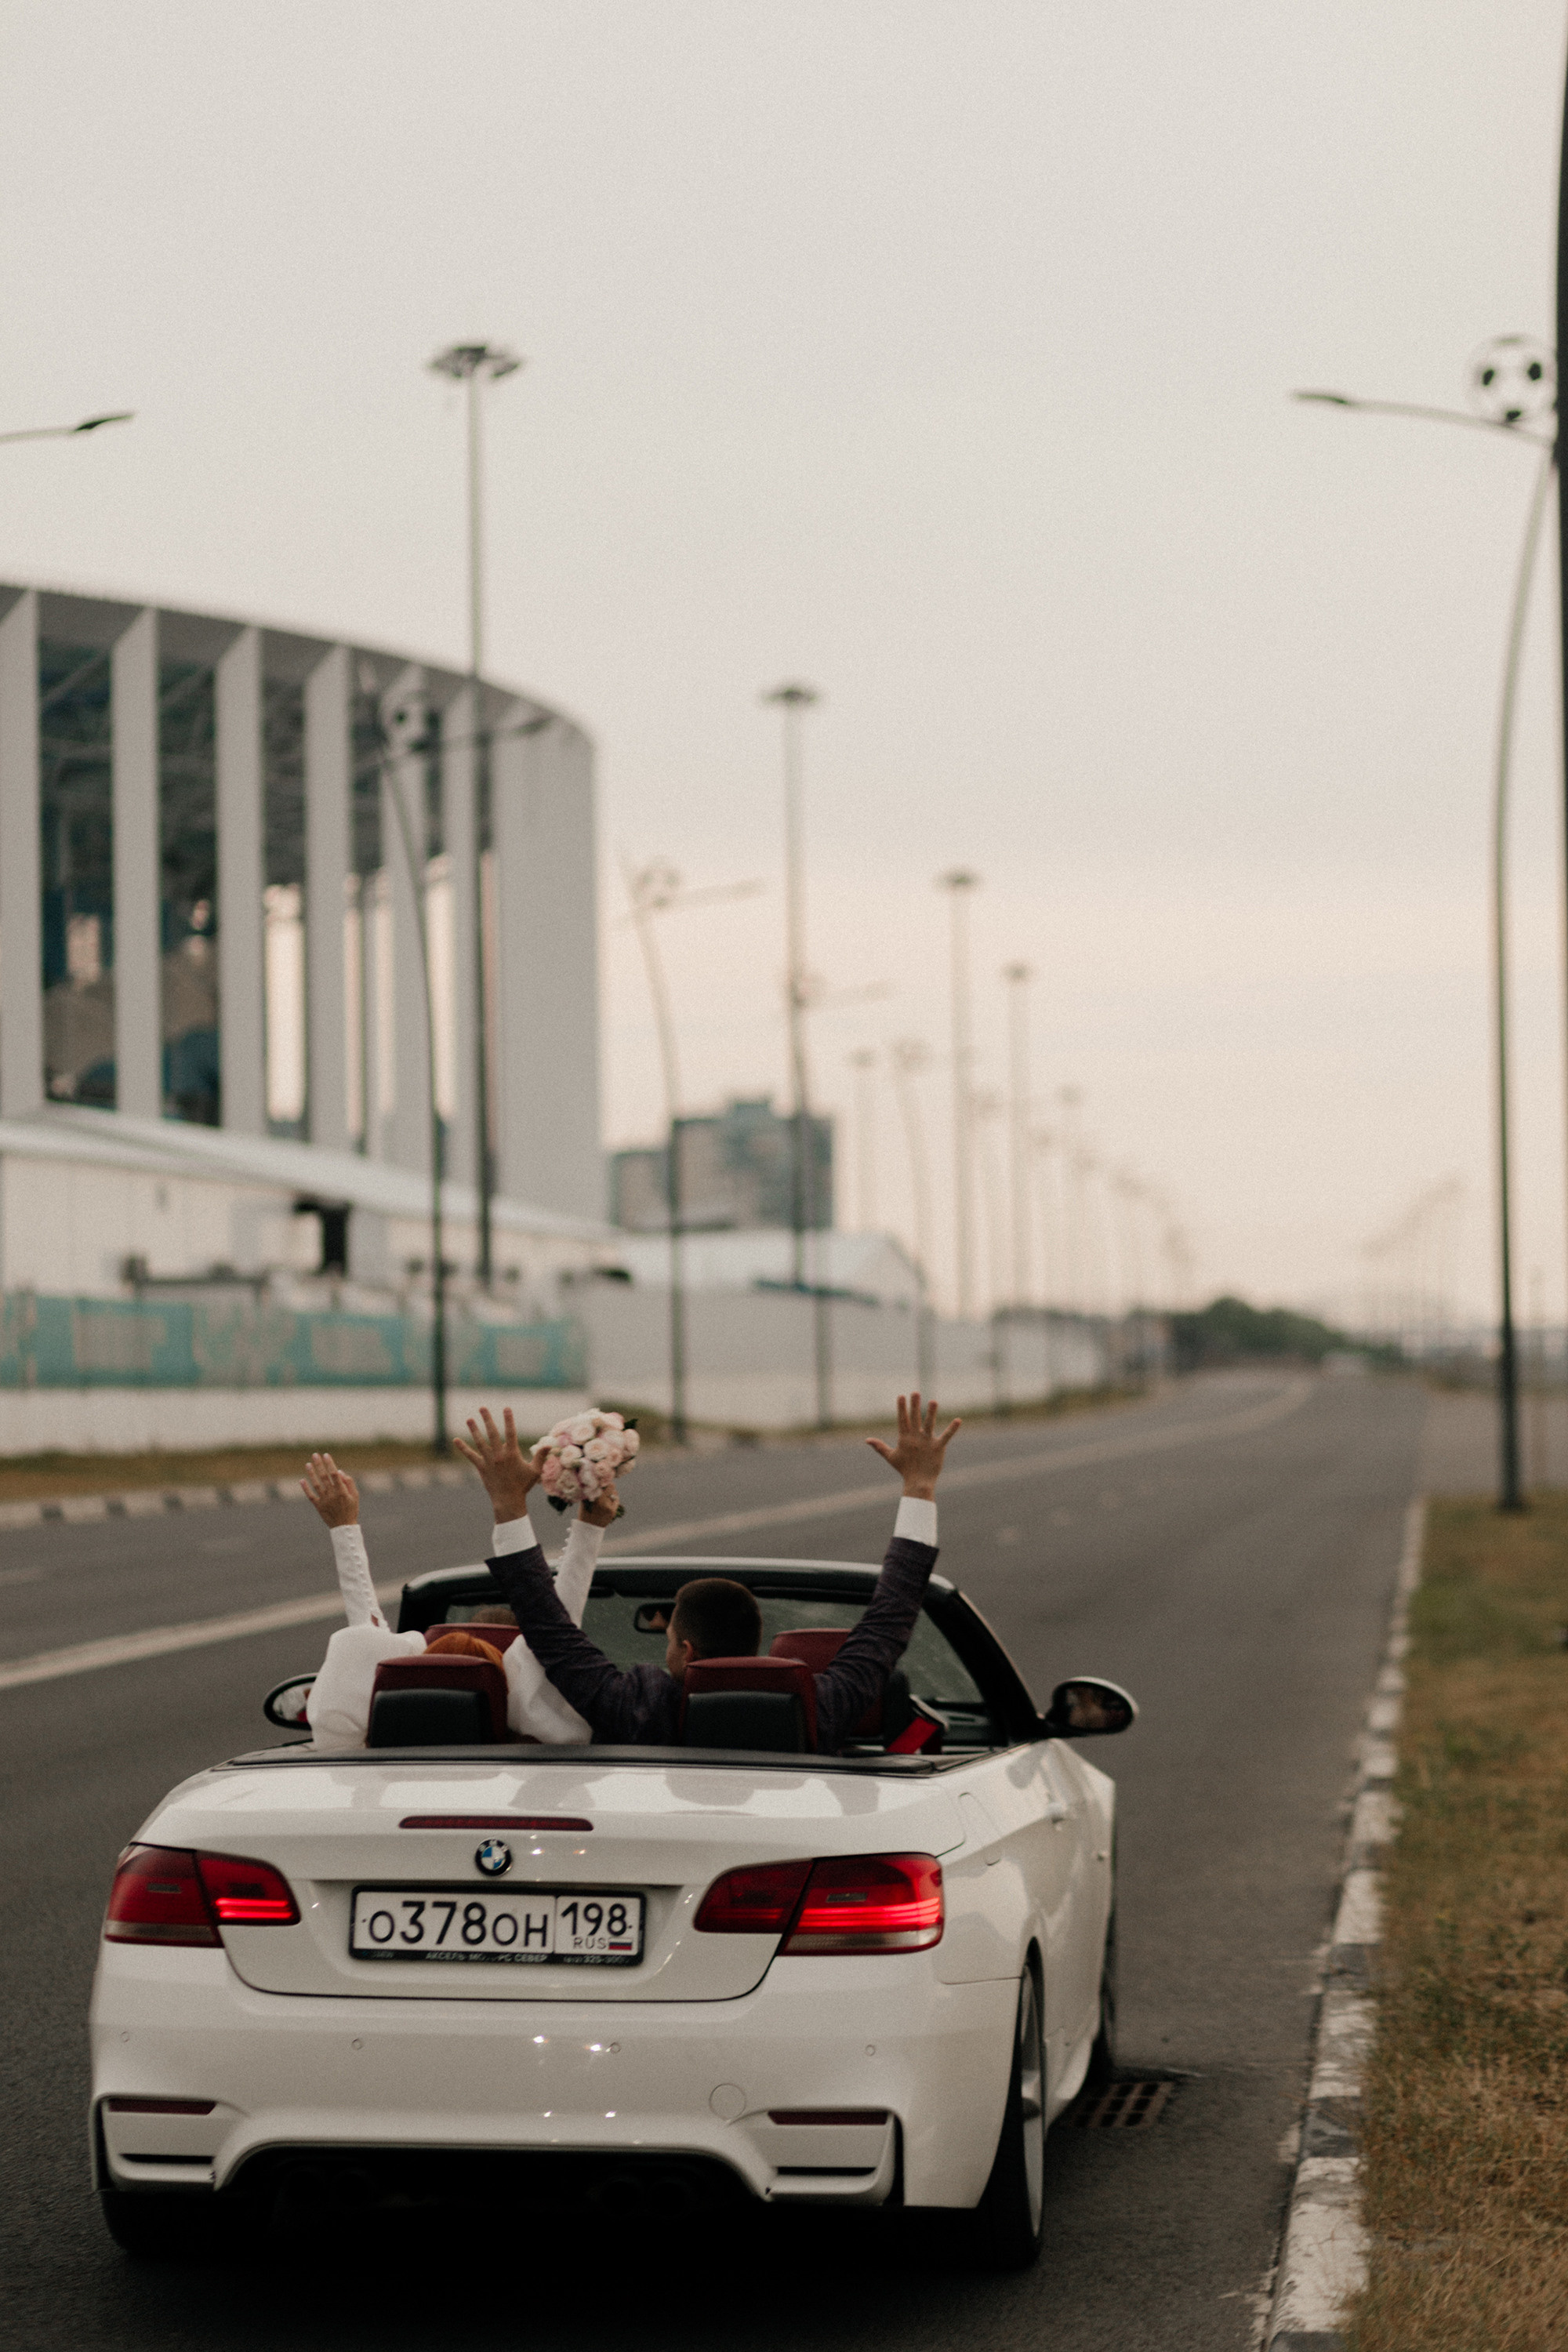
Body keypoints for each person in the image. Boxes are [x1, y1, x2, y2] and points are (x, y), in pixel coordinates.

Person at [452, 1392, 962, 1750]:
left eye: (669, 1637)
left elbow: (550, 1633)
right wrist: (919, 1487)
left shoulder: (641, 1710)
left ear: (686, 1652)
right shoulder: (818, 1709)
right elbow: (890, 1621)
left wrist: (508, 1505)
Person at [297, 1448, 622, 1749]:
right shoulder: (551, 1744)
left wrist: (344, 1526)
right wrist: (588, 1529)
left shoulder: (358, 1757)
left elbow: (367, 1640)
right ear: (510, 1684)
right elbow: (556, 1632)